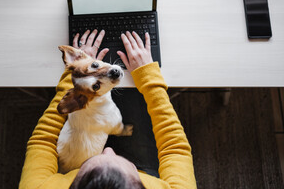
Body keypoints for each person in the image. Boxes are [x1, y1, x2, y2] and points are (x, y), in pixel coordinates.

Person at [19, 29, 197, 189]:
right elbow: (174, 148)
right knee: (133, 94)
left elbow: (43, 141)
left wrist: (77, 73)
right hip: (143, 167)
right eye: (113, 155)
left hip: (75, 155)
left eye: (88, 166)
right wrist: (148, 78)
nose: (108, 150)